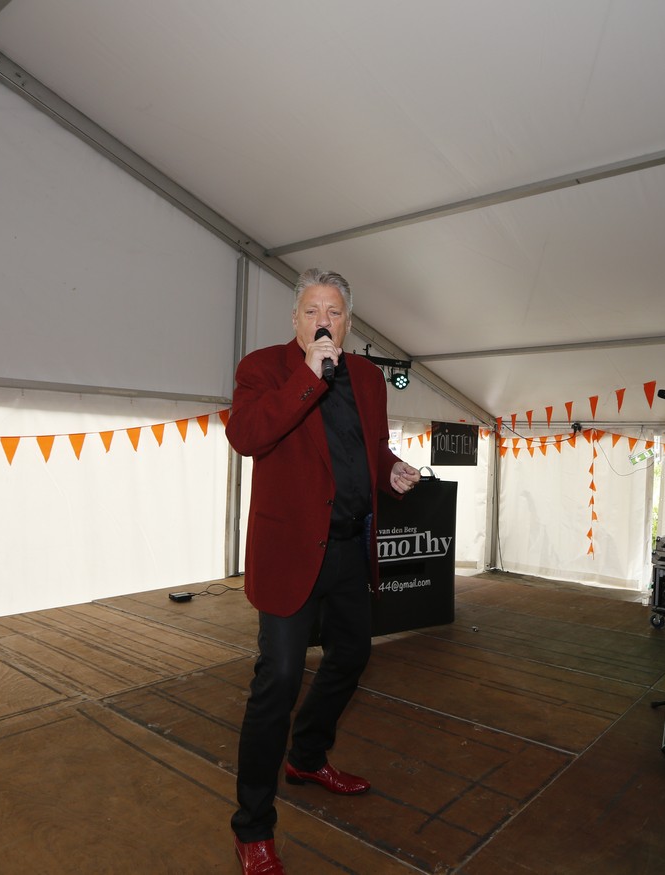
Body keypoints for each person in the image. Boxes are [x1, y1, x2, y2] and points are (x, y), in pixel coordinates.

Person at [224, 268, 421, 874]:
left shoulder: (367, 377)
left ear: (349, 323)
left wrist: (389, 469)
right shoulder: (264, 369)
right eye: (312, 311)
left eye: (333, 313)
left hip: (348, 548)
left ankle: (307, 756)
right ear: (295, 319)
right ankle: (253, 827)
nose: (322, 322)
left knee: (352, 656)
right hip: (290, 551)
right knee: (279, 679)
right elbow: (247, 436)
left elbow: (369, 447)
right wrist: (309, 375)